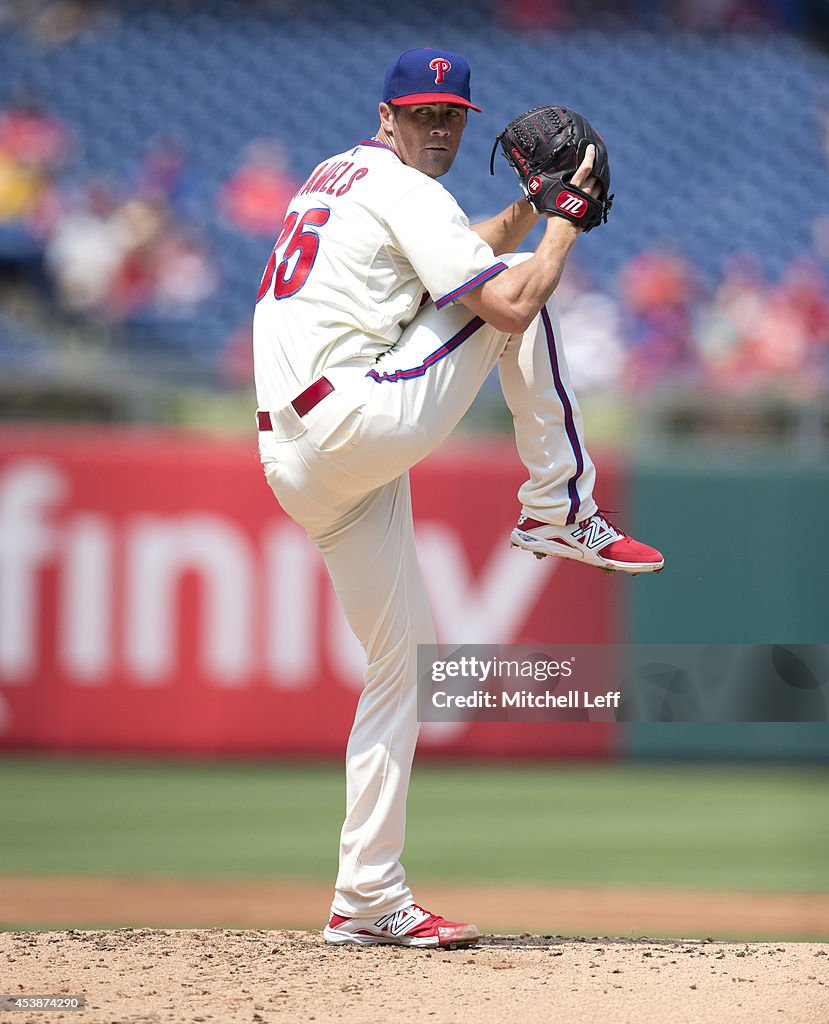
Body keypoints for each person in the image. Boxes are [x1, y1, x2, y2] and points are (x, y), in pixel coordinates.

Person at [253, 47, 664, 950]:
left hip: (300, 458)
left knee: (406, 664)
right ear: (386, 113)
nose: (436, 126)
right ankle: (559, 506)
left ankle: (365, 898)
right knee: (524, 300)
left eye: (450, 114)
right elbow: (507, 302)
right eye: (421, 112)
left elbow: (452, 257)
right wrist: (559, 222)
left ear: (464, 122)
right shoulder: (406, 190)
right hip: (353, 419)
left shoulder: (343, 176)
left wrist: (527, 209)